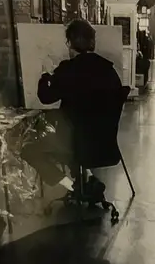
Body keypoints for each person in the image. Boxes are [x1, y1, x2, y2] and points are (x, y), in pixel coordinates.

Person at [21, 18, 122, 200]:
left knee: (29, 149)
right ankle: (89, 180)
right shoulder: (110, 70)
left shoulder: (67, 70)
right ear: (92, 42)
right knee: (76, 135)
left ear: (70, 43)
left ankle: (72, 186)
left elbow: (45, 97)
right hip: (105, 146)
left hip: (75, 144)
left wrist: (45, 75)